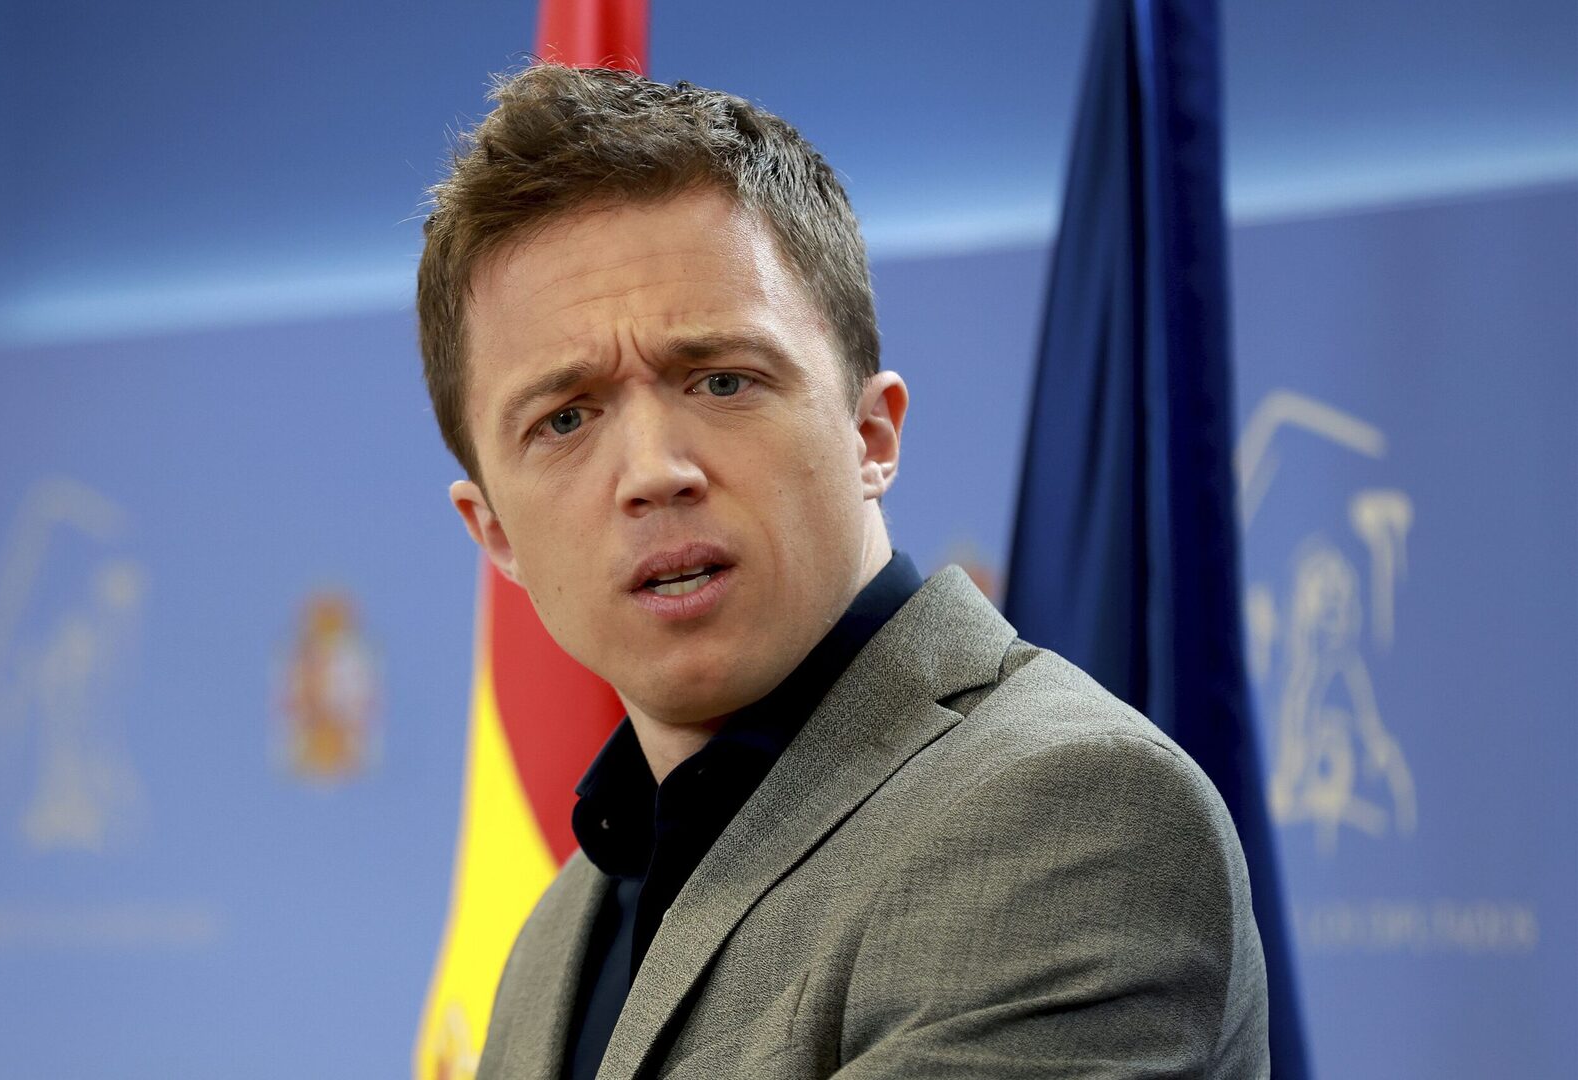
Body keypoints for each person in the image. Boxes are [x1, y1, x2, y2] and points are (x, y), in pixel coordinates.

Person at [418, 64, 1268, 1080]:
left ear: (871, 434)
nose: (652, 472)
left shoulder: (1070, 810)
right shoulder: (559, 928)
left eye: (720, 380)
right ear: (495, 534)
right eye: (564, 418)